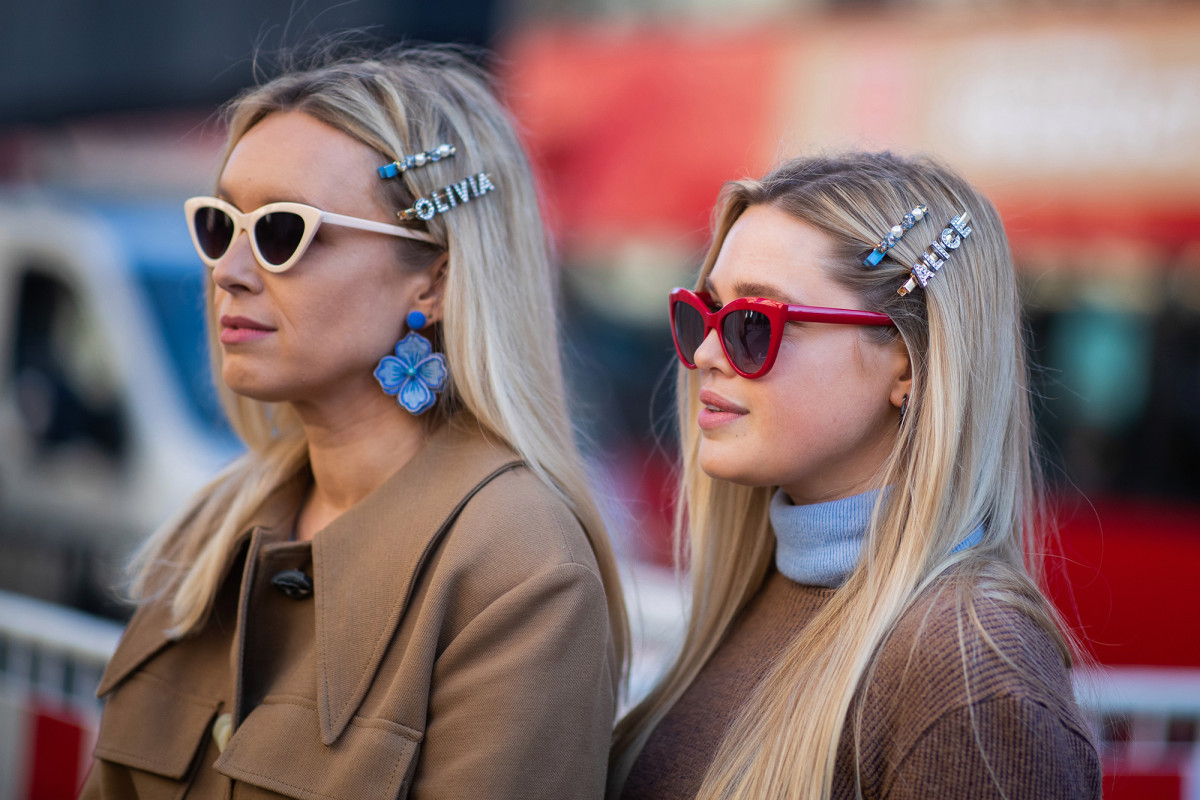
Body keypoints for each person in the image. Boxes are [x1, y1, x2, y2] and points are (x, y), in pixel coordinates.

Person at [81, 45, 626, 800]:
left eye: (282, 232)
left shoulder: (520, 570)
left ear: (433, 280)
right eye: (219, 225)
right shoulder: (217, 525)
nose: (228, 271)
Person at [610, 152, 1101, 799]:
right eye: (703, 313)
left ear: (908, 362)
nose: (705, 353)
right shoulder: (755, 599)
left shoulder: (971, 676)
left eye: (754, 322)